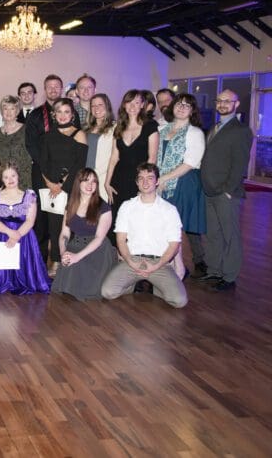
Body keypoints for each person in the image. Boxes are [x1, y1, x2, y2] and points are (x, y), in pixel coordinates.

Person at [101, 163, 187, 308]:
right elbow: (121, 239)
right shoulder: (127, 207)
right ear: (136, 183)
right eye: (141, 178)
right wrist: (129, 260)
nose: (145, 182)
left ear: (157, 181)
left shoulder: (169, 210)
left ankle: (153, 287)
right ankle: (135, 285)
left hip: (158, 262)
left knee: (179, 301)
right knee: (108, 292)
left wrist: (158, 265)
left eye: (150, 178)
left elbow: (174, 244)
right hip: (133, 260)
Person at [198, 89, 253, 291]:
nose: (222, 104)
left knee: (230, 236)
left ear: (236, 104)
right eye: (219, 100)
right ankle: (214, 270)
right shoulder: (215, 127)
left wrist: (228, 190)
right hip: (209, 190)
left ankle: (229, 276)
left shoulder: (240, 130)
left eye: (227, 101)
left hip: (225, 193)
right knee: (213, 234)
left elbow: (240, 164)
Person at [0, 161, 50, 295]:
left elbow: (30, 221)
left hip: (23, 237)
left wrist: (17, 235)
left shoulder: (29, 196)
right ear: (2, 178)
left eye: (13, 176)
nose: (10, 180)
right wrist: (10, 233)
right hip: (0, 235)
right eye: (6, 177)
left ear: (18, 176)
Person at [156, 93, 206, 278]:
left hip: (183, 183)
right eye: (179, 104)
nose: (182, 107)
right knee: (164, 228)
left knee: (174, 229)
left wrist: (164, 178)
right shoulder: (162, 129)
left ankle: (178, 268)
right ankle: (174, 266)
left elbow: (191, 162)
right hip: (162, 182)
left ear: (192, 111)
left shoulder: (195, 133)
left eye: (187, 105)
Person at [39, 98, 88, 276]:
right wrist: (49, 183)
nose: (62, 115)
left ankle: (71, 262)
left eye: (66, 111)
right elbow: (42, 162)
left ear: (72, 114)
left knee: (70, 226)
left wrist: (60, 184)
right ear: (54, 114)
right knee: (53, 227)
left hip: (71, 186)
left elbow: (79, 164)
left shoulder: (79, 134)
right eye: (58, 112)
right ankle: (56, 262)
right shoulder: (48, 135)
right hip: (51, 188)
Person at [51, 168, 117, 300]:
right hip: (76, 244)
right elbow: (64, 233)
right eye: (86, 181)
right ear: (78, 183)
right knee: (68, 268)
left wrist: (77, 257)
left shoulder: (104, 207)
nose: (90, 185)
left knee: (77, 269)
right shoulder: (71, 204)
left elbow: (99, 238)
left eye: (94, 182)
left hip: (98, 250)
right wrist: (63, 252)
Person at [105, 89, 159, 220]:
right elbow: (114, 157)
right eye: (129, 102)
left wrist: (146, 184)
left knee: (137, 219)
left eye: (137, 102)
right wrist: (107, 183)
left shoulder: (150, 126)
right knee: (117, 218)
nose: (132, 106)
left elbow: (152, 159)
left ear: (142, 105)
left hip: (139, 180)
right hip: (119, 180)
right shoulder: (119, 127)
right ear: (124, 105)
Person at [25, 74, 63, 259]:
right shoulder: (36, 115)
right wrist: (46, 169)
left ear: (61, 89)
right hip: (40, 172)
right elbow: (30, 144)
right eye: (50, 87)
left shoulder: (68, 112)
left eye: (57, 86)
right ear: (45, 89)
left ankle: (57, 259)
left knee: (59, 218)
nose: (53, 89)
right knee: (40, 217)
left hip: (64, 173)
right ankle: (39, 260)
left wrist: (63, 175)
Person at [0, 95, 31, 189]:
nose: (8, 112)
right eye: (5, 108)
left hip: (23, 180)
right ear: (1, 111)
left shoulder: (26, 130)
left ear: (17, 111)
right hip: (3, 181)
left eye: (12, 108)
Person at [86, 94, 116, 202]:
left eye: (100, 105)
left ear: (107, 106)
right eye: (93, 106)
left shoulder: (115, 128)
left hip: (102, 178)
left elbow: (115, 156)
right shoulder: (86, 129)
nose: (96, 108)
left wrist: (108, 180)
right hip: (85, 178)